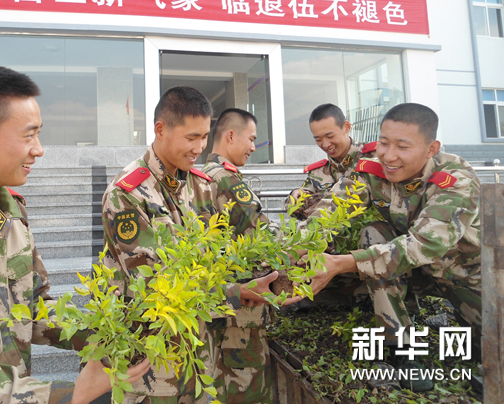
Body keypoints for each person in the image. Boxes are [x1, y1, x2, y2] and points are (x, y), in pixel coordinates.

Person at [0, 66, 150, 404]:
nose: (39, 149)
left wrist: (104, 333)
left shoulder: (11, 210)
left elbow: (32, 307)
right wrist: (73, 394)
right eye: (28, 135)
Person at [102, 86, 299, 403]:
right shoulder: (129, 193)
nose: (200, 147)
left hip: (201, 348)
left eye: (204, 137)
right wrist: (237, 293)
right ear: (160, 130)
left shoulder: (200, 185)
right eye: (191, 137)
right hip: (154, 358)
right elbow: (157, 283)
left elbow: (232, 250)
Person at [301, 103, 481, 391]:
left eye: (403, 147)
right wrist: (292, 250)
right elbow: (328, 212)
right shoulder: (371, 169)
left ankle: (464, 330)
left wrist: (342, 263)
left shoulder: (455, 180)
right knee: (375, 233)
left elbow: (423, 244)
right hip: (412, 271)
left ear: (431, 149)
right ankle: (403, 349)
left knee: (488, 350)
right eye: (384, 143)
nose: (389, 155)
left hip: (466, 276)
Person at [201, 108, 274, 404]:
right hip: (241, 311)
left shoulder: (200, 176)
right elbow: (263, 236)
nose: (254, 147)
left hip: (219, 301)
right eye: (252, 138)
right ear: (231, 136)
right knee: (247, 389)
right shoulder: (227, 180)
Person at [287, 103, 377, 219]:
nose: (325, 144)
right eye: (318, 139)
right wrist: (295, 197)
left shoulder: (373, 158)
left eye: (330, 136)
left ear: (347, 127)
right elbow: (294, 207)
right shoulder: (318, 172)